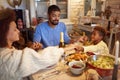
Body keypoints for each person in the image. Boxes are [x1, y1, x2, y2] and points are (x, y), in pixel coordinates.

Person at [0, 8, 76, 80]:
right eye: (14, 29)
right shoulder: (6, 58)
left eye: (58, 15)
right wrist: (64, 49)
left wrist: (31, 49)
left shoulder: (8, 50)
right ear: (3, 33)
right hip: (51, 57)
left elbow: (22, 56)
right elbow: (39, 57)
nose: (18, 31)